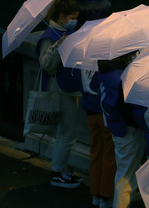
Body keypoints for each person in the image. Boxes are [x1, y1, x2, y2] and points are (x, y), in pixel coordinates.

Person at [97, 53, 147, 208]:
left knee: (125, 171)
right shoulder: (121, 76)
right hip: (127, 129)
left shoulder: (105, 71)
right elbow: (126, 107)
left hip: (115, 126)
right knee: (126, 174)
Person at [37, 0, 83, 188]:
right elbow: (46, 63)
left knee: (67, 133)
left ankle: (60, 169)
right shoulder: (50, 36)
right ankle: (58, 172)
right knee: (66, 133)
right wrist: (59, 45)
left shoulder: (66, 32)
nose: (74, 22)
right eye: (72, 18)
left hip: (67, 88)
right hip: (61, 90)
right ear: (63, 17)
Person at [80, 69, 117, 208]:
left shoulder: (84, 61)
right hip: (105, 114)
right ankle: (106, 196)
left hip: (90, 112)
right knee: (109, 156)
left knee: (96, 154)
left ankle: (95, 193)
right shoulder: (107, 66)